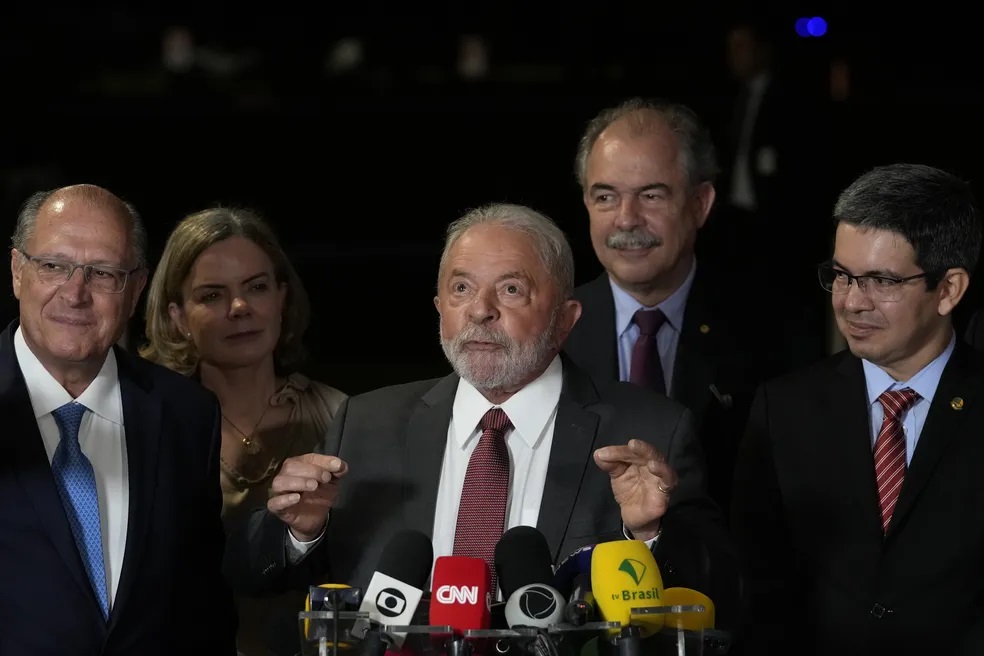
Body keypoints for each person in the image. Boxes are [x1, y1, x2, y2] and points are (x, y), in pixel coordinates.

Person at [224, 202, 743, 636]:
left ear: (566, 319)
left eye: (511, 289)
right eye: (461, 289)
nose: (480, 311)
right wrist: (300, 534)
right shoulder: (366, 423)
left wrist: (648, 533)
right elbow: (252, 577)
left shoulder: (649, 430)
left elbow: (723, 593)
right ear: (439, 308)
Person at [731, 163, 984, 655]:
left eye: (881, 281)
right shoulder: (783, 410)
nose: (851, 302)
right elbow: (758, 591)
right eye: (842, 276)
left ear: (949, 289)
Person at [0, 184, 236, 655]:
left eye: (103, 273)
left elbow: (203, 609)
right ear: (17, 271)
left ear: (136, 290)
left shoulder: (188, 415)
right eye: (53, 266)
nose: (76, 293)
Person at [563, 97, 820, 516]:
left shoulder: (773, 332)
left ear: (700, 203)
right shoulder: (552, 331)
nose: (626, 219)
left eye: (651, 195)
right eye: (606, 197)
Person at [139, 207, 347, 656]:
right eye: (212, 295)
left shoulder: (341, 417)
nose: (239, 308)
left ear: (281, 297)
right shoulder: (145, 424)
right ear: (177, 316)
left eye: (256, 287)